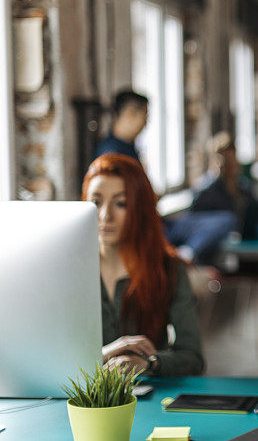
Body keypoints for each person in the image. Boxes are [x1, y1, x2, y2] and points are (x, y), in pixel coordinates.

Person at [83, 153, 205, 376]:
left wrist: (148, 362)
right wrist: (104, 354)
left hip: (146, 397)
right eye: (95, 202)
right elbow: (45, 355)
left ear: (139, 209)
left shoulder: (169, 269)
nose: (105, 215)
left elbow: (192, 357)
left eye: (121, 203)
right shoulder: (68, 272)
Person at [167, 132, 247, 266]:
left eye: (233, 160)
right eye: (226, 160)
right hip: (215, 253)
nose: (231, 165)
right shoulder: (206, 193)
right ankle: (186, 255)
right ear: (217, 162)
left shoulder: (243, 189)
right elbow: (196, 227)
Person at [94, 90, 149, 163]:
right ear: (130, 113)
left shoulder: (127, 146)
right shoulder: (112, 154)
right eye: (144, 117)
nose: (145, 123)